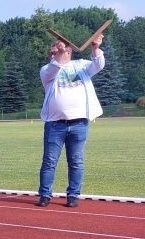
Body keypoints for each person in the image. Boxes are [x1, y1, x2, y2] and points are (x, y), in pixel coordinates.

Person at [36, 33, 105, 208]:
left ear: (70, 50)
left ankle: (73, 195)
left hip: (79, 123)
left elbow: (99, 65)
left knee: (76, 161)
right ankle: (45, 195)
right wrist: (58, 53)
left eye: (59, 46)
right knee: (49, 161)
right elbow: (54, 68)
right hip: (55, 124)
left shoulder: (81, 65)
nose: (56, 48)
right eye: (54, 47)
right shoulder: (47, 70)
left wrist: (95, 48)